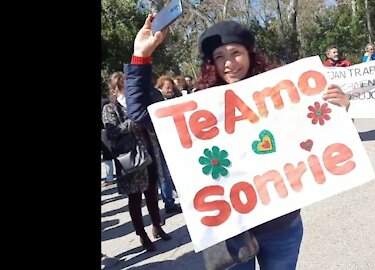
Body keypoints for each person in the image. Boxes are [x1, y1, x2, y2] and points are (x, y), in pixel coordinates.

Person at [124, 16, 350, 270]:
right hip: (229, 232)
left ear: (250, 54)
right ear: (211, 63)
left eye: (235, 53)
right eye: (219, 56)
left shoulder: (283, 93)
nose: (229, 63)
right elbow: (141, 113)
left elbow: (316, 129)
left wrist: (338, 108)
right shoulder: (200, 104)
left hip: (281, 226)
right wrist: (140, 56)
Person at [102, 71, 172, 252]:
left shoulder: (139, 102)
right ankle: (142, 235)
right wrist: (134, 120)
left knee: (152, 194)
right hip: (131, 160)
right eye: (124, 86)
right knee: (135, 199)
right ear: (116, 89)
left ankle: (157, 225)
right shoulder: (110, 108)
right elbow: (112, 132)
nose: (128, 89)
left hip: (149, 153)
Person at [101, 98, 116, 187]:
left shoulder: (104, 102)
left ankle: (109, 178)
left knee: (107, 156)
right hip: (108, 129)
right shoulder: (106, 101)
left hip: (104, 130)